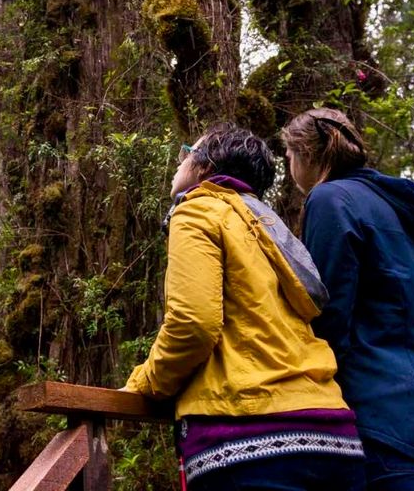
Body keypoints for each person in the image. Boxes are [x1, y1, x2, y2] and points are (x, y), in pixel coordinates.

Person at [125, 122, 365, 490]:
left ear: (205, 167)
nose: (178, 162)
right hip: (333, 435)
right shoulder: (271, 230)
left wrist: (144, 383)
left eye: (186, 152)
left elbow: (193, 323)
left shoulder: (197, 210)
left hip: (248, 437)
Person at [282, 107, 414, 491]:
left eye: (287, 156)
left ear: (306, 153)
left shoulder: (329, 199)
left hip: (388, 420)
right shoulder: (401, 207)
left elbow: (328, 314)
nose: (288, 167)